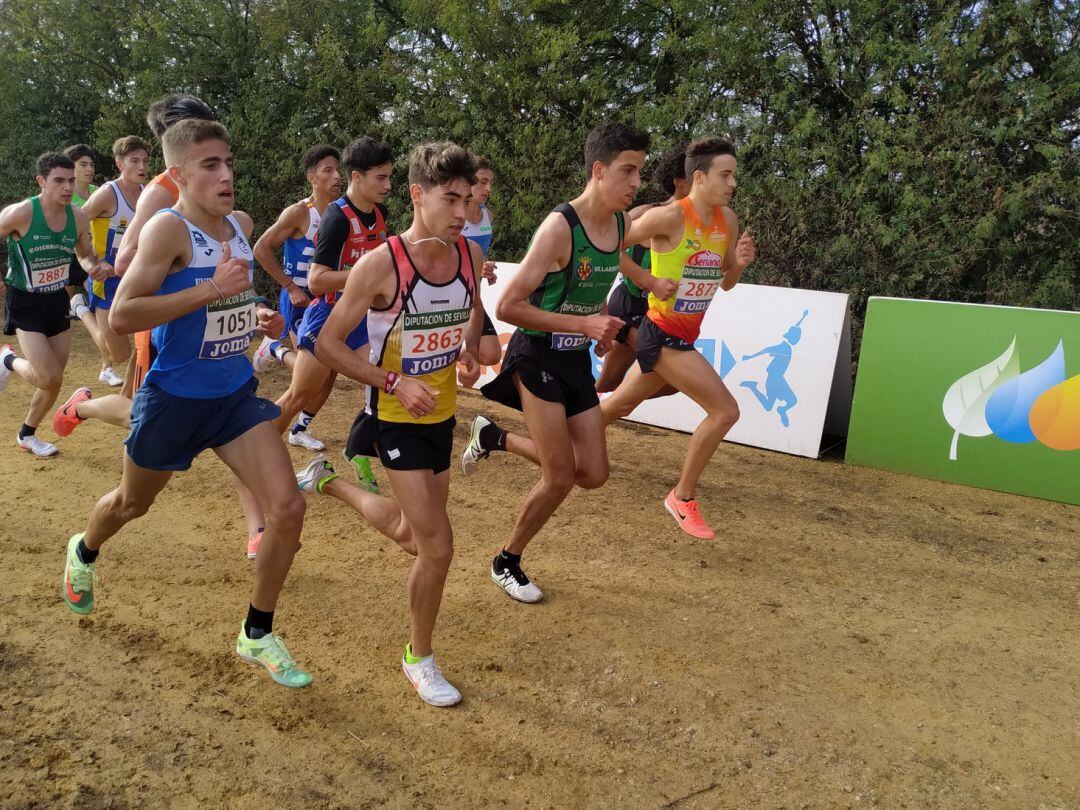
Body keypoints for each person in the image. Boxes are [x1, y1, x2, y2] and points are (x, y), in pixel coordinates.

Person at [59, 118, 312, 687]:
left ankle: (257, 631)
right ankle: (85, 547)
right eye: (210, 165)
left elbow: (227, 303)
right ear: (178, 175)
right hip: (173, 399)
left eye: (228, 162)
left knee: (290, 509)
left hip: (232, 399)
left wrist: (254, 315)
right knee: (130, 505)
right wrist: (213, 290)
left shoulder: (241, 227)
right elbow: (123, 314)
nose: (226, 175)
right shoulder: (167, 231)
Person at [296, 141, 485, 706]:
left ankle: (327, 482)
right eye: (449, 199)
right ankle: (418, 658)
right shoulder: (382, 264)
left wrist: (468, 351)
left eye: (467, 199)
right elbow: (327, 343)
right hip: (395, 416)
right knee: (438, 547)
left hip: (443, 415)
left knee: (410, 535)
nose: (460, 212)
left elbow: (467, 317)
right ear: (416, 194)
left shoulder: (470, 257)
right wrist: (394, 382)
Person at [467, 122, 674, 602]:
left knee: (594, 474)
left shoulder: (620, 225)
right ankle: (506, 560)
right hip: (536, 355)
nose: (635, 182)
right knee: (559, 477)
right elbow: (508, 307)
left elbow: (611, 265)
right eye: (628, 170)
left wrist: (610, 313)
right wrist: (583, 325)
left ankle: (493, 437)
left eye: (639, 172)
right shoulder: (560, 228)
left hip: (574, 359)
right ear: (598, 171)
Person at [599, 137, 756, 539]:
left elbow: (727, 284)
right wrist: (648, 279)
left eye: (734, 174)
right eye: (725, 174)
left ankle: (558, 444)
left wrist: (736, 264)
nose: (733, 182)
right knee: (725, 411)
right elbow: (605, 246)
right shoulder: (668, 217)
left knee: (618, 405)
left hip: (683, 335)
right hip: (661, 334)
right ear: (699, 176)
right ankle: (682, 498)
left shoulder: (728, 221)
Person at [282, 136, 393, 492]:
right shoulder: (336, 218)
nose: (389, 186)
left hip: (360, 318)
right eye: (381, 178)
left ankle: (358, 448)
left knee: (382, 384)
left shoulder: (379, 214)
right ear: (357, 177)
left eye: (390, 177)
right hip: (328, 316)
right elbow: (316, 280)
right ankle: (259, 450)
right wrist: (366, 276)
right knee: (298, 396)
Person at [0, 153, 110, 456]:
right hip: (24, 301)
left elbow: (84, 253)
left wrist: (93, 267)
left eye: (71, 180)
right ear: (41, 182)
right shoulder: (21, 213)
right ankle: (7, 360)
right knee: (48, 376)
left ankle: (27, 434)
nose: (66, 187)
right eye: (59, 180)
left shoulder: (78, 216)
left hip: (55, 300)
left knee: (53, 380)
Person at [251, 144, 344, 451]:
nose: (336, 176)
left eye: (338, 170)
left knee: (328, 372)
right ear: (311, 178)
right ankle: (274, 349)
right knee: (312, 372)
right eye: (327, 171)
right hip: (300, 300)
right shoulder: (299, 212)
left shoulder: (342, 212)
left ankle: (300, 429)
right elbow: (261, 248)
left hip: (328, 302)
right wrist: (290, 286)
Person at [596, 143, 690, 394]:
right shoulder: (647, 213)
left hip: (656, 313)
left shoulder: (695, 225)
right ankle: (602, 411)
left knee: (607, 384)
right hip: (629, 305)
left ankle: (589, 411)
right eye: (697, 178)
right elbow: (607, 248)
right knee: (675, 375)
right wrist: (646, 279)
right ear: (679, 181)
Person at [78, 136, 151, 386]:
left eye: (145, 161)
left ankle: (138, 394)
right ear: (120, 164)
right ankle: (81, 310)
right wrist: (95, 259)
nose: (142, 167)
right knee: (120, 354)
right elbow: (77, 224)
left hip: (136, 274)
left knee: (146, 341)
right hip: (107, 278)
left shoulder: (148, 193)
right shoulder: (108, 193)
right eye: (134, 161)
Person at [460, 156, 503, 366]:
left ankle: (456, 349)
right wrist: (477, 268)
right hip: (450, 295)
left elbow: (479, 254)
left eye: (490, 183)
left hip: (473, 295)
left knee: (492, 354)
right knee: (478, 353)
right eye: (483, 181)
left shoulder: (489, 216)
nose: (488, 188)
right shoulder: (454, 216)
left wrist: (485, 267)